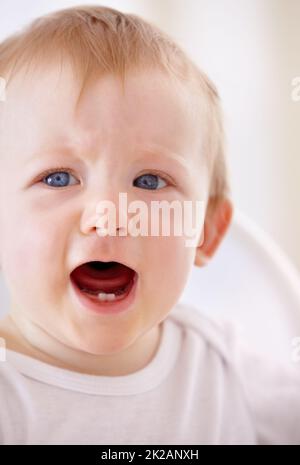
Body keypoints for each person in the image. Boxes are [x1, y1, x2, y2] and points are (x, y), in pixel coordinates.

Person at [0, 5, 299, 445]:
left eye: (150, 181)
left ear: (206, 231)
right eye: (58, 178)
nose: (108, 214)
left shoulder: (225, 368)